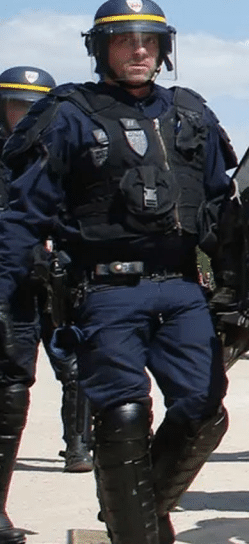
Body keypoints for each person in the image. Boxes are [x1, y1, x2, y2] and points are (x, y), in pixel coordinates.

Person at [0, 0, 238, 543]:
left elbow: (224, 210)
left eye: (149, 41)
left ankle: (137, 510)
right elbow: (23, 217)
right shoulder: (69, 113)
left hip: (182, 288)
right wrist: (11, 293)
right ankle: (139, 533)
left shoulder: (191, 112)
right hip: (106, 288)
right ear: (100, 49)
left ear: (164, 50)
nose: (138, 50)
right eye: (124, 40)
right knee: (125, 415)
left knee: (205, 412)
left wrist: (239, 293)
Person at [0, 66, 94, 474]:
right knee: (10, 379)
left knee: (74, 367)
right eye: (19, 106)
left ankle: (77, 447)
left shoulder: (65, 158)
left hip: (55, 281)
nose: (27, 115)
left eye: (37, 107)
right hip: (10, 283)